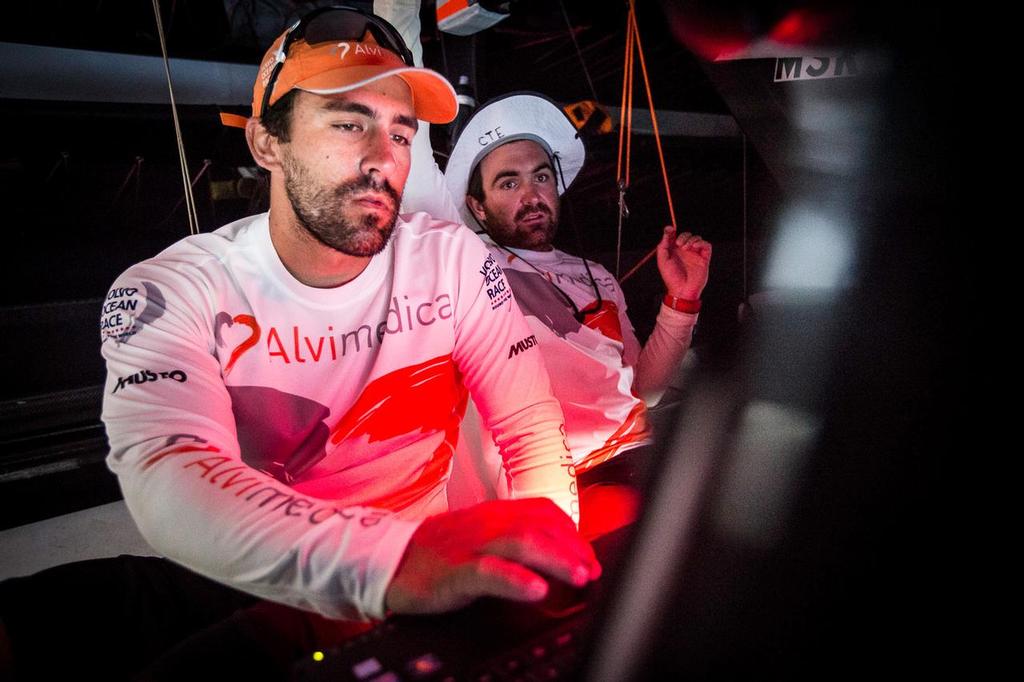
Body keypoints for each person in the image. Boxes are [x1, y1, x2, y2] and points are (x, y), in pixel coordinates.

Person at [0, 7, 598, 680]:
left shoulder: (452, 259)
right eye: (348, 123)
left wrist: (550, 573)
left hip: (428, 572)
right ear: (266, 143)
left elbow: (528, 426)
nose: (383, 160)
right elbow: (174, 476)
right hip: (265, 565)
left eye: (401, 132)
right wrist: (392, 562)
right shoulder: (173, 287)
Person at [420, 93, 712, 501]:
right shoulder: (471, 267)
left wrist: (682, 300)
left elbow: (644, 391)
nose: (531, 195)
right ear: (478, 207)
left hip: (640, 457)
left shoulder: (596, 276)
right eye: (509, 183)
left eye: (540, 177)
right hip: (565, 480)